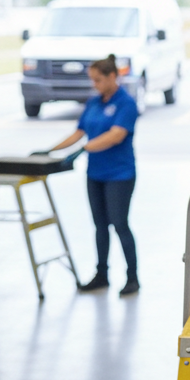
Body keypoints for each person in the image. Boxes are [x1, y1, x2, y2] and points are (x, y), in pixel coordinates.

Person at [42, 54, 140, 296]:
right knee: (100, 226)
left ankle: (132, 278)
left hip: (120, 175)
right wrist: (50, 150)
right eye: (92, 80)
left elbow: (116, 135)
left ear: (112, 76)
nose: (94, 84)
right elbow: (79, 132)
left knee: (119, 224)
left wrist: (84, 149)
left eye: (98, 80)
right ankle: (101, 275)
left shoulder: (126, 103)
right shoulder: (94, 103)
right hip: (95, 174)